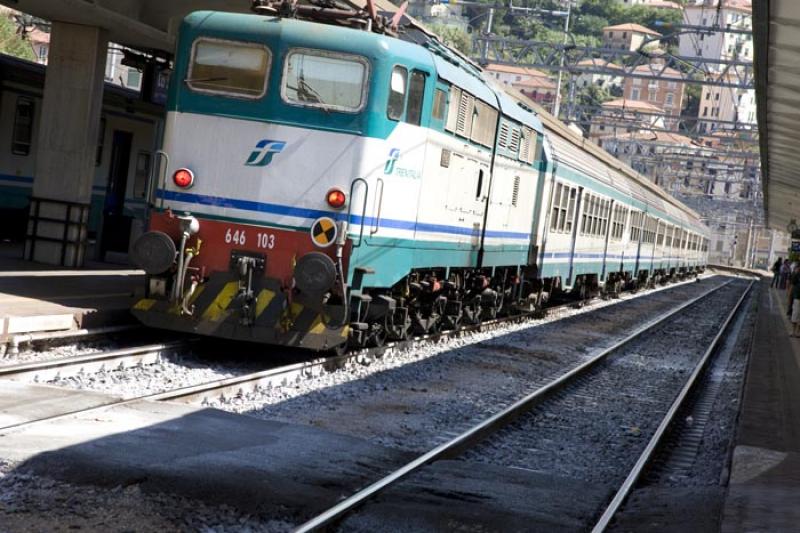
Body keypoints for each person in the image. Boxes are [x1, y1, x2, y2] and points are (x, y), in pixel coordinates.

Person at [792, 265, 800, 337]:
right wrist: (795, 272)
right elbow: (793, 283)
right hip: (797, 297)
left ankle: (798, 332)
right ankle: (793, 331)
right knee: (795, 314)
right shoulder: (797, 274)